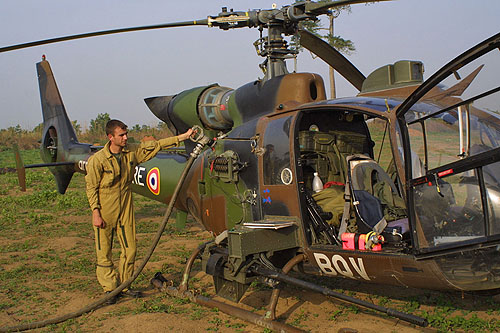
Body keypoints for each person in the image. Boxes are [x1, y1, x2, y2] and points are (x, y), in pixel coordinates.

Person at [85, 119, 193, 303]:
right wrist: (96, 212)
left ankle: (125, 286)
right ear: (111, 137)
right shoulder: (98, 160)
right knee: (104, 252)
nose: (126, 137)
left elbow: (156, 145)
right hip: (105, 206)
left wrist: (183, 137)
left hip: (125, 204)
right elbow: (91, 188)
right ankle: (110, 290)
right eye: (121, 135)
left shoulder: (132, 151)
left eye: (126, 133)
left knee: (130, 249)